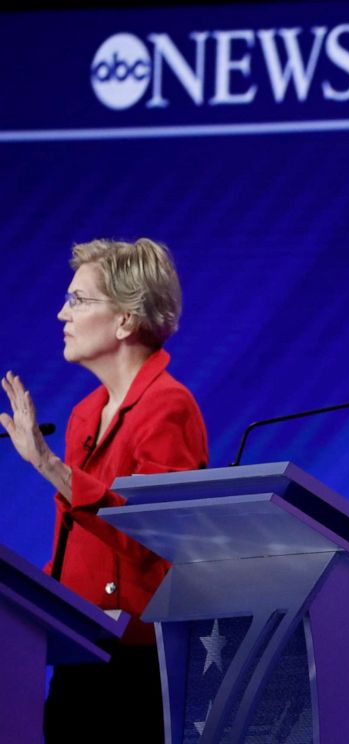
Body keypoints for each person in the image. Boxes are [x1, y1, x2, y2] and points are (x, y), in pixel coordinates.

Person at [0, 238, 208, 742]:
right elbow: (76, 546)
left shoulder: (169, 406)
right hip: (80, 654)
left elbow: (153, 540)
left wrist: (49, 466)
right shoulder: (84, 415)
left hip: (138, 667)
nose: (60, 313)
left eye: (78, 300)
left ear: (125, 320)